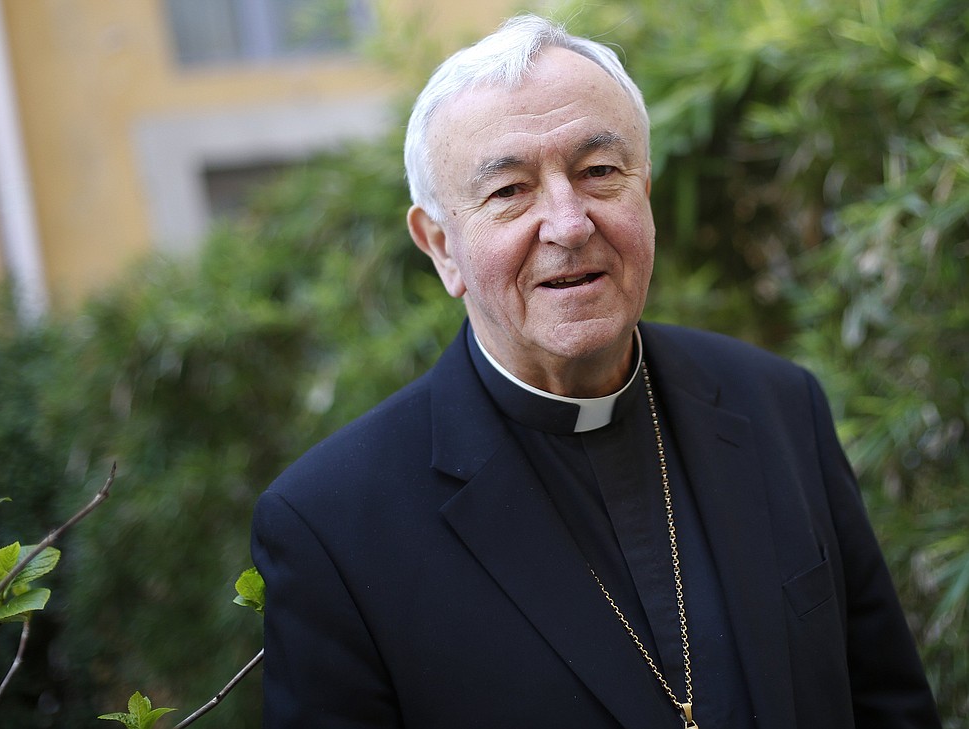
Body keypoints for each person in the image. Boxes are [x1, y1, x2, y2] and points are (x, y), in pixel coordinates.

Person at [250, 13, 940, 729]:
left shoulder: (777, 405)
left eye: (599, 172)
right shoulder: (332, 526)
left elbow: (891, 705)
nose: (569, 222)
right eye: (509, 190)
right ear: (441, 245)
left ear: (644, 189)